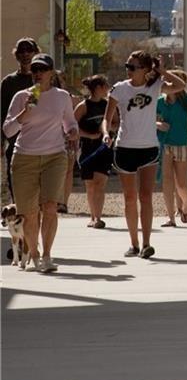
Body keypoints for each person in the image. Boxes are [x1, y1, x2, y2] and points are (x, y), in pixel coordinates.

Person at [1, 53, 77, 272]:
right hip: (25, 157)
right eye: (35, 70)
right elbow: (8, 130)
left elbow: (70, 122)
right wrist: (25, 112)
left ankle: (47, 256)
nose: (38, 73)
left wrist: (73, 131)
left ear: (51, 73)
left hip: (55, 156)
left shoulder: (61, 96)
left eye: (42, 69)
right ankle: (33, 255)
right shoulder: (21, 97)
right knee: (29, 213)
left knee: (50, 206)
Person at [106, 50, 163, 260]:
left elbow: (180, 85)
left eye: (133, 67)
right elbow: (107, 118)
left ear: (145, 69)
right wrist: (106, 133)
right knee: (130, 198)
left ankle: (147, 243)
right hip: (125, 147)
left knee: (146, 196)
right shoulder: (120, 89)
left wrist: (162, 71)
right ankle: (134, 243)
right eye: (127, 66)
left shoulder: (155, 86)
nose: (128, 70)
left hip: (149, 147)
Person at [156, 69, 187, 226]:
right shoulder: (159, 102)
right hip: (165, 144)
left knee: (181, 183)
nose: (166, 83)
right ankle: (171, 218)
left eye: (170, 81)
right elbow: (149, 119)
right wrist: (158, 124)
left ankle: (185, 203)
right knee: (167, 181)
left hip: (183, 143)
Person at [1, 38, 40, 203]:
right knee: (16, 186)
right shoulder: (9, 82)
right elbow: (2, 113)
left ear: (35, 53)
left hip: (42, 139)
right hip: (15, 141)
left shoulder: (44, 80)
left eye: (29, 50)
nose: (25, 54)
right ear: (16, 55)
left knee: (39, 188)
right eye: (21, 51)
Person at [75, 75, 115, 229]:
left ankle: (98, 217)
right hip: (87, 149)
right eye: (105, 86)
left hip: (104, 148)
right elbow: (72, 127)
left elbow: (116, 122)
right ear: (98, 88)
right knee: (90, 185)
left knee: (100, 183)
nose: (107, 89)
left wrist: (107, 130)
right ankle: (92, 216)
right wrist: (89, 135)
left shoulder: (108, 105)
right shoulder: (83, 106)